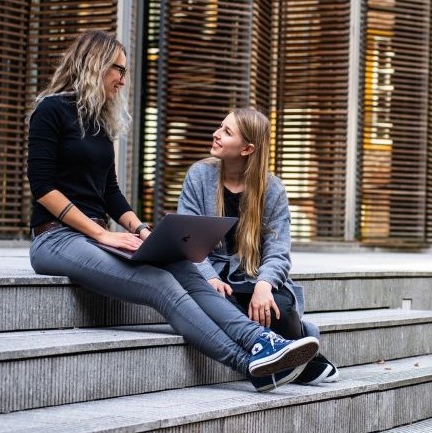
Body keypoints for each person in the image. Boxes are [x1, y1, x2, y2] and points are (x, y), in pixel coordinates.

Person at [26, 30, 318, 392]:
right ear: (95, 64)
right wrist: (102, 233)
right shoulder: (50, 110)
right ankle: (249, 364)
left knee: (180, 263)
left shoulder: (99, 124)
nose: (123, 78)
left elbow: (111, 193)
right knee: (160, 283)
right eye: (119, 69)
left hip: (96, 238)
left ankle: (261, 341)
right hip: (56, 239)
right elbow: (42, 188)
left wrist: (145, 233)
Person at [177, 107, 339, 388]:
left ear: (247, 148)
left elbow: (278, 250)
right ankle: (304, 357)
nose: (216, 134)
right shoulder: (199, 175)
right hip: (212, 276)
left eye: (227, 132)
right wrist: (210, 277)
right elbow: (187, 238)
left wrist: (265, 285)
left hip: (253, 277)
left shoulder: (272, 188)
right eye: (220, 126)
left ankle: (292, 346)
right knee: (220, 306)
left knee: (280, 308)